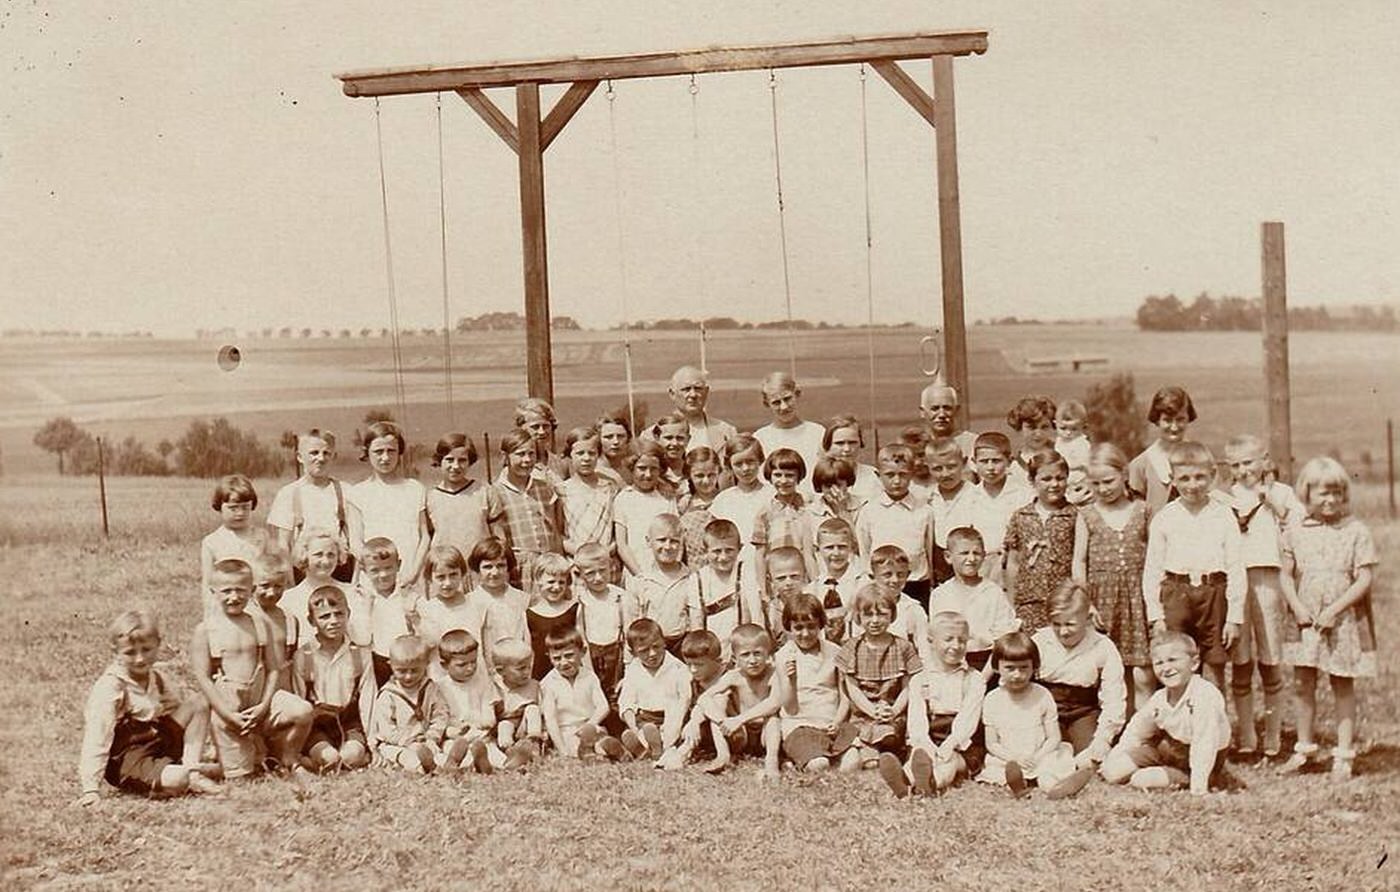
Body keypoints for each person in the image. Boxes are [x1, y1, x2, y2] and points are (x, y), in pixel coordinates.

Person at [1278, 456, 1377, 779]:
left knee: (1341, 682)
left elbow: (1363, 578)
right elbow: (1285, 573)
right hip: (1306, 616)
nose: (1330, 499)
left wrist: (1335, 610)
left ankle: (1344, 754)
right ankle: (1305, 749)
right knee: (1302, 682)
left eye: (1336, 492)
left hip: (1342, 618)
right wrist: (1296, 606)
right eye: (1323, 493)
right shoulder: (1294, 529)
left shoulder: (1355, 531)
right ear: (1306, 493)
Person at [79, 611, 222, 804]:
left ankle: (193, 770)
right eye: (130, 653)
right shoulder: (112, 686)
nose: (139, 659)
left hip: (156, 741)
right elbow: (97, 736)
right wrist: (91, 789)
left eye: (146, 650)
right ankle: (181, 776)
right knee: (178, 779)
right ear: (115, 652)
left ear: (158, 645)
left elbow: (179, 715)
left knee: (198, 702)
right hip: (128, 758)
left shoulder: (158, 678)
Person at [190, 559, 313, 780]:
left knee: (302, 711)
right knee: (242, 777)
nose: (234, 597)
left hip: (261, 699)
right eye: (226, 591)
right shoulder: (207, 630)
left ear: (252, 590)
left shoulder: (259, 623)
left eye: (240, 590)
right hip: (229, 707)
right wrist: (227, 715)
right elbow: (203, 678)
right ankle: (212, 765)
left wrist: (264, 706)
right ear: (212, 592)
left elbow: (273, 669)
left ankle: (289, 758)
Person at [1222, 434, 1303, 759]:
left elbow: (1296, 525)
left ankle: (1272, 735)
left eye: (1249, 463)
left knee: (1270, 657)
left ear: (1264, 461)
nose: (1243, 471)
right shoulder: (1225, 496)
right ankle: (1246, 735)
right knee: (1240, 659)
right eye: (1236, 465)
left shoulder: (1282, 493)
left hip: (1269, 576)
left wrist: (1271, 500)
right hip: (1235, 579)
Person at [1142, 441, 1245, 691]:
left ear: (1212, 476)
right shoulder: (1166, 517)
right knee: (1176, 661)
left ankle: (1213, 723)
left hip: (1213, 594)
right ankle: (1179, 726)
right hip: (1177, 593)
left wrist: (1234, 617)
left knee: (1216, 664)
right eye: (1184, 478)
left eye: (1200, 477)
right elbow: (1153, 569)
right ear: (1173, 479)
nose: (1192, 485)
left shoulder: (1223, 515)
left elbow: (1236, 567)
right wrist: (1155, 615)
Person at [1100, 632, 1235, 795]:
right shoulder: (1160, 698)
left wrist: (1198, 789)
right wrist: (1114, 757)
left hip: (1202, 758)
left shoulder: (1205, 696)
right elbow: (1136, 731)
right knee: (1112, 771)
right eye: (1159, 663)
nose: (1166, 668)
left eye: (1172, 660)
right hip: (1168, 750)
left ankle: (1204, 779)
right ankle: (1162, 771)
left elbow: (1204, 744)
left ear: (1194, 663)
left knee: (1140, 780)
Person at [1072, 443, 1153, 710]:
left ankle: (1142, 736)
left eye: (1109, 481)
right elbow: (1079, 561)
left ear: (1125, 474)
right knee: (1107, 674)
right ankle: (1112, 735)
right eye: (1096, 484)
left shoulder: (1142, 511)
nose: (1103, 489)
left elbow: (1155, 558)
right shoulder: (1087, 515)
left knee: (1142, 674)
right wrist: (1087, 604)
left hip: (1138, 601)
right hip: (1102, 604)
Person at [1030, 582, 1127, 799]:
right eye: (1057, 624)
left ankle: (1075, 774)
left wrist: (1104, 738)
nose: (1063, 631)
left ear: (1087, 618)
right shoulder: (1040, 641)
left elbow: (1113, 698)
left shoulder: (1103, 647)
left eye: (1070, 624)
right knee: (1042, 749)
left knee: (1091, 755)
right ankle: (1050, 778)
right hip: (1045, 708)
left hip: (1082, 711)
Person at [879, 611, 985, 798]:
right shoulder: (921, 678)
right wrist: (924, 742)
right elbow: (917, 717)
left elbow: (968, 718)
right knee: (917, 757)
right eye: (948, 639)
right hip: (928, 734)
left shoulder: (974, 679)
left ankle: (931, 783)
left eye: (962, 640)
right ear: (931, 641)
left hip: (960, 742)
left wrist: (950, 744)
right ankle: (904, 781)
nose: (956, 646)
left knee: (949, 763)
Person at [976, 631, 1075, 797]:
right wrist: (1014, 758)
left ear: (1034, 667)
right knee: (1001, 770)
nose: (1017, 675)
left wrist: (1038, 756)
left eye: (1024, 668)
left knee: (1050, 768)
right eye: (1010, 668)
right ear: (996, 667)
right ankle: (1018, 784)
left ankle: (1055, 789)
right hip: (1008, 756)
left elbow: (1054, 737)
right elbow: (992, 743)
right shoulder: (992, 699)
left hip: (1039, 753)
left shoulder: (1042, 695)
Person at [291, 585, 376, 773]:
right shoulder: (303, 655)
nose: (334, 621)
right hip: (317, 724)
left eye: (339, 614)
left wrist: (372, 744)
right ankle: (315, 761)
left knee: (351, 756)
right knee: (329, 758)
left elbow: (368, 702)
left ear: (348, 614)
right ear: (311, 620)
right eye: (324, 616)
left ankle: (355, 758)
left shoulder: (360, 655)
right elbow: (298, 703)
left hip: (349, 723)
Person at [836, 584, 923, 767]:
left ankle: (882, 753)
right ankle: (871, 754)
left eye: (882, 614)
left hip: (892, 711)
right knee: (860, 732)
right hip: (863, 713)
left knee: (890, 734)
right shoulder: (852, 647)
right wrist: (871, 711)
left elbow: (908, 687)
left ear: (892, 615)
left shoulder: (902, 647)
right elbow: (852, 688)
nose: (875, 620)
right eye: (868, 615)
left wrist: (894, 710)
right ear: (859, 616)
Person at [773, 593, 858, 773]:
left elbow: (845, 698)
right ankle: (797, 760)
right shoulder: (784, 656)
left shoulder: (835, 652)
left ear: (820, 624)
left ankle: (796, 762)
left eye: (811, 627)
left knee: (853, 763)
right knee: (820, 765)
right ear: (789, 627)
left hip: (830, 725)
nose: (805, 633)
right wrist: (792, 680)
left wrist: (836, 721)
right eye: (799, 628)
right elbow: (790, 709)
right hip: (800, 726)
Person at [690, 624, 782, 777]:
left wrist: (738, 719)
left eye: (758, 653)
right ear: (734, 658)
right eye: (745, 655)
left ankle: (771, 761)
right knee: (718, 700)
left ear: (768, 654)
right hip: (741, 734)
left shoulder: (773, 673)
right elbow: (704, 697)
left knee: (773, 719)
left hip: (766, 733)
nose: (752, 660)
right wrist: (722, 721)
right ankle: (723, 755)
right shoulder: (734, 676)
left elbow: (774, 704)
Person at [267, 429, 357, 583]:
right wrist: (290, 583)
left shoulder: (346, 491)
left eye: (326, 453)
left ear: (334, 456)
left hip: (341, 571)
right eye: (314, 453)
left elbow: (355, 539)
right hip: (302, 572)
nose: (320, 458)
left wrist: (355, 580)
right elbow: (283, 544)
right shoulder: (289, 493)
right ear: (300, 457)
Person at [349, 421, 429, 591]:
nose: (385, 458)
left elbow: (424, 536)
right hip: (374, 578)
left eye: (391, 451)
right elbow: (355, 541)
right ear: (367, 453)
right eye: (378, 451)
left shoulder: (415, 489)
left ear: (399, 452)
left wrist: (413, 574)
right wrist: (377, 571)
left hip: (410, 576)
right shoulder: (358, 493)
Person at [1003, 449, 1077, 633]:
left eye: (1060, 478)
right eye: (1046, 479)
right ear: (1032, 481)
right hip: (1028, 602)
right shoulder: (1021, 516)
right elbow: (1013, 563)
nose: (1054, 484)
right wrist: (1012, 603)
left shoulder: (1075, 515)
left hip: (1064, 601)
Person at [928, 526, 1019, 673]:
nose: (971, 559)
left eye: (976, 553)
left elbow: (1002, 642)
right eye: (964, 553)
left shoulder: (993, 592)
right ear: (948, 557)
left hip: (988, 664)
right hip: (950, 664)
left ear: (984, 556)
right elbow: (937, 639)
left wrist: (982, 679)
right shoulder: (940, 594)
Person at [855, 443, 936, 609]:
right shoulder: (869, 510)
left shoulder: (924, 511)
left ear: (912, 474)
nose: (897, 481)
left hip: (916, 584)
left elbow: (929, 551)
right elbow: (864, 550)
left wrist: (931, 582)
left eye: (903, 475)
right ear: (878, 475)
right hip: (880, 585)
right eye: (890, 475)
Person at [486, 427, 563, 588]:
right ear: (505, 456)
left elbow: (554, 530)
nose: (527, 460)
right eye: (520, 454)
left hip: (548, 566)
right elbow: (499, 538)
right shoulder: (495, 491)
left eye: (531, 453)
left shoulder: (545, 487)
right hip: (519, 567)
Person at [367, 634, 449, 774]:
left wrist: (432, 736)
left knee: (436, 752)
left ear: (426, 664)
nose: (408, 676)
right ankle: (422, 767)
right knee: (404, 756)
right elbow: (386, 729)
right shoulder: (388, 694)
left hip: (425, 739)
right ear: (391, 666)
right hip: (395, 744)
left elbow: (440, 715)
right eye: (402, 671)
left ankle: (444, 764)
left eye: (415, 670)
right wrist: (408, 742)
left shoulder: (431, 688)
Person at [540, 627, 624, 761]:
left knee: (600, 737)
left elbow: (603, 706)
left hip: (590, 725)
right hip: (567, 731)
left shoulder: (589, 676)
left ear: (582, 652)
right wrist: (562, 750)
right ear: (549, 658)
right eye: (557, 658)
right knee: (574, 745)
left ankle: (608, 748)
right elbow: (551, 719)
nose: (564, 662)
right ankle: (595, 753)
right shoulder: (548, 683)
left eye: (569, 655)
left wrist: (590, 725)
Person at [617, 618, 692, 761]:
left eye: (656, 647)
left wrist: (674, 729)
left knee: (672, 735)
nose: (652, 654)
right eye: (644, 651)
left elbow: (684, 701)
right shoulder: (634, 669)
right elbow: (626, 701)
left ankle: (657, 748)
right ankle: (645, 747)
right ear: (633, 653)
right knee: (643, 730)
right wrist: (634, 727)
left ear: (664, 642)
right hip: (645, 719)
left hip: (670, 716)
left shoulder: (678, 668)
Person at [923, 437, 993, 585]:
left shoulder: (976, 496)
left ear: (964, 462)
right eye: (937, 468)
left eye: (951, 466)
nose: (945, 473)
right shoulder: (928, 498)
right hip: (940, 566)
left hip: (971, 563)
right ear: (928, 467)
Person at [623, 514, 696, 654]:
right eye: (662, 540)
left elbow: (695, 621)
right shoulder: (640, 581)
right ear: (648, 541)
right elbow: (631, 624)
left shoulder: (691, 579)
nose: (667, 546)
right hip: (649, 649)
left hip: (680, 646)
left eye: (674, 541)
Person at [690, 519, 760, 659]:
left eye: (729, 550)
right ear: (705, 551)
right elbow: (696, 625)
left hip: (743, 653)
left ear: (739, 548)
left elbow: (757, 616)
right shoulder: (697, 579)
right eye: (717, 551)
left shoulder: (746, 572)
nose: (723, 557)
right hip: (711, 654)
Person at [660, 630, 730, 771]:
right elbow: (680, 706)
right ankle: (674, 750)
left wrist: (694, 722)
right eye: (689, 664)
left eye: (699, 664)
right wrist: (670, 742)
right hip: (701, 733)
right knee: (678, 702)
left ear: (717, 660)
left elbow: (710, 702)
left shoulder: (727, 676)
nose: (693, 669)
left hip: (729, 731)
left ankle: (723, 756)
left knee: (715, 699)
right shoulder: (689, 677)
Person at [435, 629, 502, 776]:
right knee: (450, 751)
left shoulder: (483, 682)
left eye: (473, 662)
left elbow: (489, 714)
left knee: (493, 754)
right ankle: (456, 765)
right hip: (455, 738)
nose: (470, 668)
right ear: (444, 665)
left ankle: (483, 762)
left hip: (481, 736)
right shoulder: (439, 688)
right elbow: (438, 720)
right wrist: (453, 731)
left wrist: (485, 721)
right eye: (462, 664)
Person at [752, 448, 818, 596]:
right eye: (777, 475)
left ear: (798, 477)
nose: (783, 480)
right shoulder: (765, 513)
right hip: (779, 580)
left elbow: (811, 550)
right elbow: (760, 555)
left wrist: (816, 584)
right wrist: (763, 590)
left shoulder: (809, 505)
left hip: (805, 577)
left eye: (789, 476)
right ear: (770, 477)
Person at [754, 371, 827, 499]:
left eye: (787, 399)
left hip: (813, 505)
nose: (784, 406)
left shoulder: (818, 433)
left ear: (797, 394)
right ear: (767, 404)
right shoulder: (760, 438)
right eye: (776, 402)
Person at [425, 433, 491, 574]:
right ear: (439, 461)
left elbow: (498, 534)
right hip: (446, 572)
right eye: (449, 460)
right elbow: (428, 537)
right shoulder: (430, 498)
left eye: (462, 460)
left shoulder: (483, 491)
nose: (455, 466)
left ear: (470, 462)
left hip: (479, 570)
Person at [613, 439, 678, 579]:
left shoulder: (667, 497)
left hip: (667, 571)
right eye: (642, 468)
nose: (648, 474)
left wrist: (673, 567)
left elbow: (677, 537)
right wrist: (640, 575)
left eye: (653, 469)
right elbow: (622, 544)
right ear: (631, 468)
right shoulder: (624, 499)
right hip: (636, 571)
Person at [199, 474, 268, 606]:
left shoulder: (261, 536)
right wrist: (210, 613)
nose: (240, 513)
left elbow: (268, 573)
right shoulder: (212, 542)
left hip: (256, 603)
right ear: (219, 507)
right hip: (227, 603)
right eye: (233, 508)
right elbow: (207, 583)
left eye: (245, 507)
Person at [972, 431, 1033, 580]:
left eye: (996, 461)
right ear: (974, 462)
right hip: (982, 569)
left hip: (1017, 567)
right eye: (984, 461)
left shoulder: (1024, 495)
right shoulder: (969, 497)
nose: (990, 467)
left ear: (1009, 461)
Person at [1128, 385, 1197, 511]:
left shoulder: (1200, 457)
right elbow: (1135, 515)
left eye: (1180, 419)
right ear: (1157, 420)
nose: (1174, 427)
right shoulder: (1140, 465)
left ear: (1189, 418)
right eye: (1167, 420)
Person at [358, 537, 415, 686]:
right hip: (379, 661)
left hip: (409, 661)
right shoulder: (363, 599)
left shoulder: (409, 595)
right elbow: (362, 638)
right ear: (364, 571)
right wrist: (366, 609)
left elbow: (420, 634)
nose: (383, 575)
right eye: (375, 570)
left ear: (398, 565)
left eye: (388, 568)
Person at [574, 542, 626, 704]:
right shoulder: (580, 600)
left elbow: (627, 633)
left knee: (617, 698)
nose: (598, 577)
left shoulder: (620, 596)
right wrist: (587, 669)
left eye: (602, 570)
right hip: (591, 657)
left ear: (611, 567)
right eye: (590, 573)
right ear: (580, 575)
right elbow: (580, 635)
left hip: (617, 657)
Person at [464, 537, 528, 670]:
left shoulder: (522, 599)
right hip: (486, 674)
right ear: (477, 569)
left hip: (519, 670)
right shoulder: (470, 602)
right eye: (487, 567)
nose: (494, 572)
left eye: (500, 566)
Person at [415, 544, 480, 674]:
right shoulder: (426, 609)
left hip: (473, 673)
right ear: (429, 578)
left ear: (463, 573)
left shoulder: (475, 604)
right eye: (440, 577)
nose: (448, 583)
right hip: (441, 676)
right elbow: (427, 644)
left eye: (453, 575)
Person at [558, 426, 618, 563]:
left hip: (606, 561)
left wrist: (606, 551)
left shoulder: (610, 487)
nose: (586, 458)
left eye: (591, 453)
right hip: (575, 562)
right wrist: (580, 552)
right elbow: (559, 533)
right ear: (570, 455)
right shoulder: (561, 490)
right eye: (580, 453)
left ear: (598, 455)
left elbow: (617, 531)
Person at [861, 545, 932, 658]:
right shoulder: (862, 606)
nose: (895, 580)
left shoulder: (913, 609)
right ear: (873, 576)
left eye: (900, 575)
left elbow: (925, 651)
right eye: (887, 575)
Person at [708, 434, 773, 552]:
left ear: (760, 460)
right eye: (738, 464)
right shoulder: (723, 500)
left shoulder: (772, 495)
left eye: (750, 462)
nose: (745, 468)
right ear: (729, 466)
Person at [525, 553, 582, 680]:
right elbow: (529, 650)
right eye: (551, 582)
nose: (556, 587)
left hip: (571, 672)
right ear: (538, 580)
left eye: (561, 582)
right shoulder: (530, 615)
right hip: (542, 675)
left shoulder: (574, 609)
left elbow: (582, 645)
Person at [492, 638, 546, 769]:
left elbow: (544, 711)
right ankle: (511, 752)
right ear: (500, 671)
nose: (527, 672)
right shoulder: (494, 687)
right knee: (504, 725)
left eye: (529, 667)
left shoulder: (534, 686)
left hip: (526, 729)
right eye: (521, 669)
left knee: (532, 709)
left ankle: (533, 745)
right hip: (505, 729)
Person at [666, 365, 738, 452]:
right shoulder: (652, 435)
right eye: (686, 389)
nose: (693, 395)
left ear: (707, 391)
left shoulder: (727, 432)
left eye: (698, 389)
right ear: (672, 394)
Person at [677, 446, 722, 569]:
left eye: (711, 475)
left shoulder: (725, 500)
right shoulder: (684, 504)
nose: (706, 481)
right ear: (689, 475)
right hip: (694, 570)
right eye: (699, 476)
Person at [823, 414, 884, 502]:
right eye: (839, 443)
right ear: (828, 446)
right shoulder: (818, 476)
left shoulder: (872, 476)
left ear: (861, 443)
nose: (847, 449)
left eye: (852, 443)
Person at [1004, 395, 1058, 491]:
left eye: (1044, 427)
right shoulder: (1014, 465)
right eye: (1031, 427)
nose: (1038, 434)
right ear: (1019, 427)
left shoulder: (1062, 453)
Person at [515, 396, 569, 484]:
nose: (541, 432)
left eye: (546, 426)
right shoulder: (515, 464)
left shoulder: (560, 464)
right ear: (522, 428)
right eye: (535, 427)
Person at [919, 381, 976, 460]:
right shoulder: (915, 445)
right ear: (922, 412)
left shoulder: (972, 444)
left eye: (947, 408)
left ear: (956, 410)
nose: (942, 414)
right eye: (935, 409)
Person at [809, 457, 866, 532]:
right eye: (828, 486)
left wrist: (842, 511)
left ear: (847, 483)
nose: (834, 491)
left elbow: (860, 541)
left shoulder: (863, 506)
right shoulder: (811, 512)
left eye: (839, 485)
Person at [595, 412, 634, 488]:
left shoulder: (630, 472)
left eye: (620, 436)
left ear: (628, 439)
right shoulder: (593, 472)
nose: (616, 441)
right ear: (599, 440)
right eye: (609, 437)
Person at [1053, 399, 1091, 472]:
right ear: (1055, 424)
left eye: (1074, 429)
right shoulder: (1059, 440)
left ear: (1083, 427)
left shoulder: (1081, 443)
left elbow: (1082, 463)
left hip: (1078, 476)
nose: (1068, 433)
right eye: (1063, 428)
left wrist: (1061, 464)